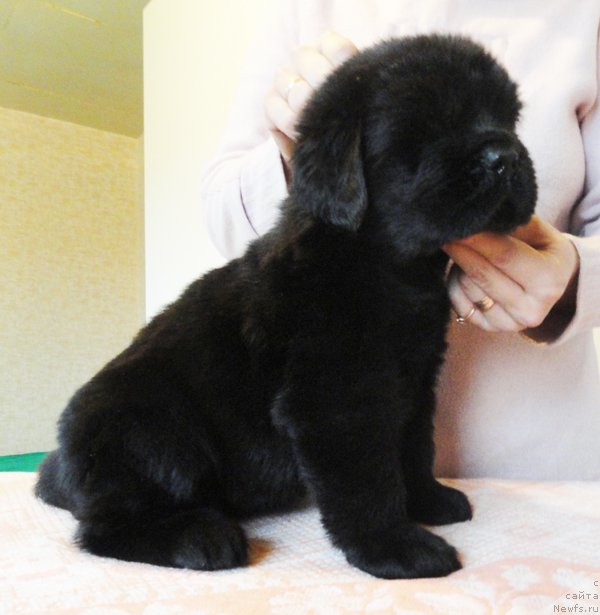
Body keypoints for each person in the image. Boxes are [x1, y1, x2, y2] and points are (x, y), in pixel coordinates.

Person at [201, 0, 600, 480]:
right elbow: (225, 216)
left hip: (534, 452)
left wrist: (574, 278)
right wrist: (312, 154)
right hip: (324, 461)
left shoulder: (584, 16)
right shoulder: (305, 8)